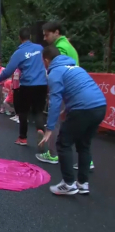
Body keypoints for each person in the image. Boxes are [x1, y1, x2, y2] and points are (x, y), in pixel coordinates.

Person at [39, 46, 106, 195]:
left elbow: (55, 101)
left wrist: (49, 129)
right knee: (84, 145)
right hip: (100, 106)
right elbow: (79, 90)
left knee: (63, 143)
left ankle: (68, 184)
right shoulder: (75, 67)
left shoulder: (55, 72)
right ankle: (83, 183)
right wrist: (67, 111)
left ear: (46, 60)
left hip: (83, 108)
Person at [37, 22, 90, 169]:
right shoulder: (68, 45)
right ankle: (86, 158)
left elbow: (55, 74)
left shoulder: (59, 49)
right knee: (78, 124)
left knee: (56, 121)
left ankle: (53, 154)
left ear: (56, 32)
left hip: (67, 92)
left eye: (47, 34)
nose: (45, 38)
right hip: (81, 94)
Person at [0, 27, 48, 146]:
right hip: (42, 84)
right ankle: (40, 129)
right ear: (29, 37)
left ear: (20, 38)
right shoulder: (40, 48)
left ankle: (23, 138)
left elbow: (8, 71)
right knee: (38, 111)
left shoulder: (19, 53)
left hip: (27, 85)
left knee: (23, 112)